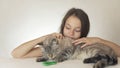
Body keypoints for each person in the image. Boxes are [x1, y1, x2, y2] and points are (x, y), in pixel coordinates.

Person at [11, 8, 120, 58]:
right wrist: (43, 38)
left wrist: (99, 40)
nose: (71, 33)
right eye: (68, 28)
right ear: (63, 27)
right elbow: (16, 54)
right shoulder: (54, 47)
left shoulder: (87, 45)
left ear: (84, 32)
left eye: (77, 30)